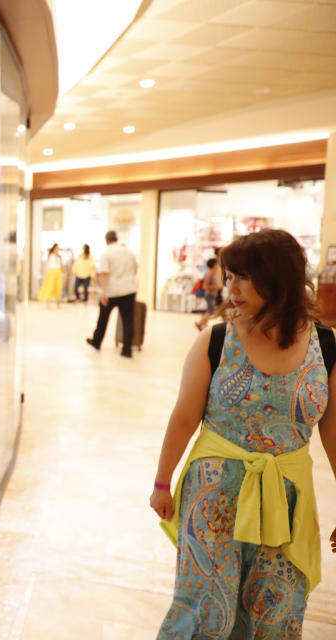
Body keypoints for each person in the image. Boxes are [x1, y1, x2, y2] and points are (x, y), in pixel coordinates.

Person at [151, 229, 336, 639]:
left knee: (275, 611)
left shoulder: (326, 346)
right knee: (206, 611)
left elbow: (335, 432)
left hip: (286, 498)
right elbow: (184, 417)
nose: (230, 288)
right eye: (229, 276)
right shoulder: (216, 339)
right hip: (212, 494)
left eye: (243, 277)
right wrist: (162, 483)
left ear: (280, 278)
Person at [85, 230, 138, 357]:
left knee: (103, 318)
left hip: (111, 292)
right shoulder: (129, 252)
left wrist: (103, 292)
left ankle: (97, 341)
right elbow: (135, 269)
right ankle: (127, 349)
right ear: (116, 239)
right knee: (128, 320)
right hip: (129, 290)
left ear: (107, 240)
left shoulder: (106, 254)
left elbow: (105, 274)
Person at [194, 257, 223, 330]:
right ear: (214, 265)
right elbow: (205, 286)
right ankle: (201, 324)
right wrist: (217, 287)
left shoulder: (213, 272)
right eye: (216, 264)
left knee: (210, 310)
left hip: (212, 295)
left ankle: (202, 324)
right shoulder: (209, 273)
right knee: (211, 311)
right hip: (209, 295)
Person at [37, 243, 63, 308]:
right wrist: (45, 274)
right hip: (51, 272)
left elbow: (61, 265)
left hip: (58, 272)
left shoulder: (59, 256)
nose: (57, 249)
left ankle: (58, 304)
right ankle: (48, 304)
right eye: (56, 248)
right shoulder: (50, 256)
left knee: (58, 288)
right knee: (50, 287)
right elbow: (47, 265)